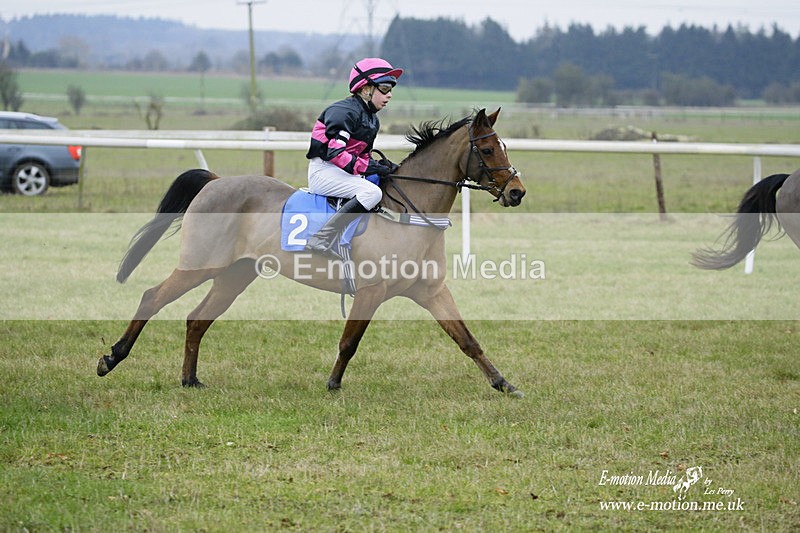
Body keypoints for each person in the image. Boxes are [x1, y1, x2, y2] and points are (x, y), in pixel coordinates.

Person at [304, 57, 403, 258]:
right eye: (384, 88)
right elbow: (335, 153)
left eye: (391, 89)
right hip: (324, 172)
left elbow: (363, 156)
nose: (389, 95)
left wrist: (381, 166)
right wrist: (368, 168)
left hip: (342, 173)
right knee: (371, 193)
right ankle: (322, 238)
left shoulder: (372, 119)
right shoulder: (344, 112)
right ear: (365, 89)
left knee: (383, 181)